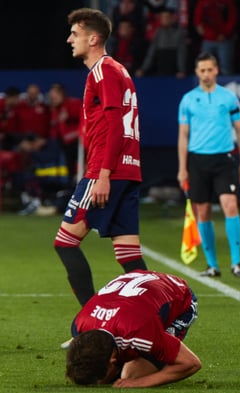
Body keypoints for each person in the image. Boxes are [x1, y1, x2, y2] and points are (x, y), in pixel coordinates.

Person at [54, 8, 148, 308]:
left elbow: (115, 126)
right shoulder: (119, 69)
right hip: (128, 170)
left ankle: (92, 321)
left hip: (105, 171)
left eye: (75, 34)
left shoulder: (103, 71)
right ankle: (157, 317)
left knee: (65, 243)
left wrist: (103, 174)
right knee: (129, 254)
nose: (69, 40)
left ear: (93, 39)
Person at [177, 52, 240, 278]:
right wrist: (182, 168)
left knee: (230, 205)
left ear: (216, 70)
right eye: (202, 70)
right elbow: (183, 135)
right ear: (197, 72)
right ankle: (212, 265)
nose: (206, 74)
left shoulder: (228, 98)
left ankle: (237, 263)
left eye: (210, 69)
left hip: (223, 159)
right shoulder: (188, 100)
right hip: (197, 161)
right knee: (203, 211)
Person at [66, 270, 201, 387]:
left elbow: (191, 363)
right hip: (140, 288)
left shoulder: (140, 334)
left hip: (180, 297)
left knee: (131, 375)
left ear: (113, 361)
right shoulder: (79, 326)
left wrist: (140, 382)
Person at [135, 8, 188, 79]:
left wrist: (181, 70)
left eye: (166, 17)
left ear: (172, 18)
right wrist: (143, 69)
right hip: (160, 67)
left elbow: (181, 53)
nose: (164, 19)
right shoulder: (158, 32)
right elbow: (151, 53)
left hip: (174, 69)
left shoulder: (179, 32)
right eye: (162, 17)